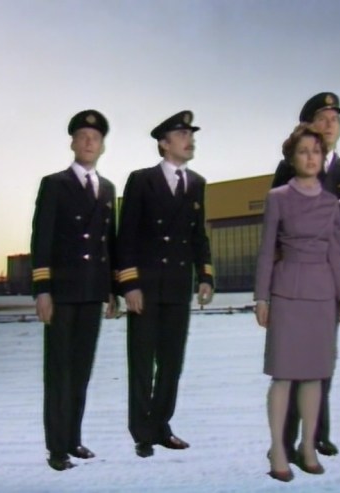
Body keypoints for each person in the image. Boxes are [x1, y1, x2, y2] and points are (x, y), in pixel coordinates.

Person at [255, 123, 340, 482]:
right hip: (287, 292)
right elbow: (267, 250)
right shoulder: (278, 197)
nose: (311, 157)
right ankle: (279, 450)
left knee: (314, 376)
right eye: (303, 152)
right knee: (283, 375)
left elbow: (336, 254)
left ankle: (308, 446)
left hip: (322, 295)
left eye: (316, 151)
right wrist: (261, 296)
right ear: (292, 158)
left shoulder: (331, 202)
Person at [271, 91, 340, 459]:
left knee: (323, 358)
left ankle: (316, 436)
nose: (330, 124)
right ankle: (285, 440)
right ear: (307, 126)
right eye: (323, 118)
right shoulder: (288, 168)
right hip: (295, 280)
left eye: (335, 119)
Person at [117, 110, 214, 459]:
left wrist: (205, 275)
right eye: (183, 134)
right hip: (145, 287)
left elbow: (198, 235)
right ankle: (142, 433)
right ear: (164, 143)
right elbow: (126, 235)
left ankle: (161, 426)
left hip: (177, 286)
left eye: (192, 135)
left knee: (172, 363)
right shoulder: (141, 180)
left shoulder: (197, 183)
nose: (190, 140)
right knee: (142, 363)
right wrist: (129, 284)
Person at [30, 109, 118, 471]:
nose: (89, 142)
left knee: (81, 370)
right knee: (59, 372)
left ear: (102, 146)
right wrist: (43, 289)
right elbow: (41, 238)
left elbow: (108, 242)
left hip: (93, 291)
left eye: (95, 138)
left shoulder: (108, 188)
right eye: (82, 136)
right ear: (72, 143)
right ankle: (57, 449)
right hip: (62, 292)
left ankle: (73, 439)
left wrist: (111, 289)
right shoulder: (54, 184)